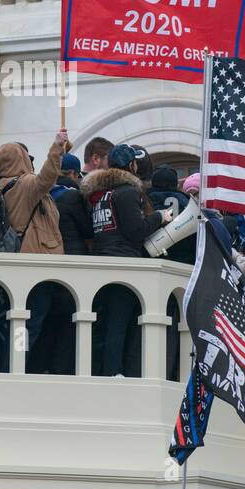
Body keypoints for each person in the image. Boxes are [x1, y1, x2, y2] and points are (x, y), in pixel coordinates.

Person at [83, 144, 170, 375]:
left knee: (105, 322)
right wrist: (160, 217)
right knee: (120, 322)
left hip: (102, 262)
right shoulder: (128, 192)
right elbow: (136, 230)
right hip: (125, 265)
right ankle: (115, 373)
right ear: (132, 165)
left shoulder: (100, 195)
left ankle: (103, 371)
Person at [56, 138, 110, 255]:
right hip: (74, 252)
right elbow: (88, 230)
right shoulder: (74, 195)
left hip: (51, 251)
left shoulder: (44, 192)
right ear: (73, 173)